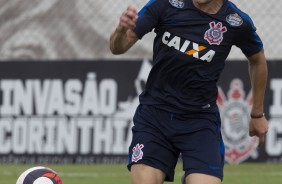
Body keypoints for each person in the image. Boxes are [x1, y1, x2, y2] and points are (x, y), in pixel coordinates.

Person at [109, 0, 269, 184]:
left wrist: (257, 114)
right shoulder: (164, 4)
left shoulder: (236, 21)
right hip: (155, 116)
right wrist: (121, 30)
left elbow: (257, 59)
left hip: (199, 121)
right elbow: (118, 47)